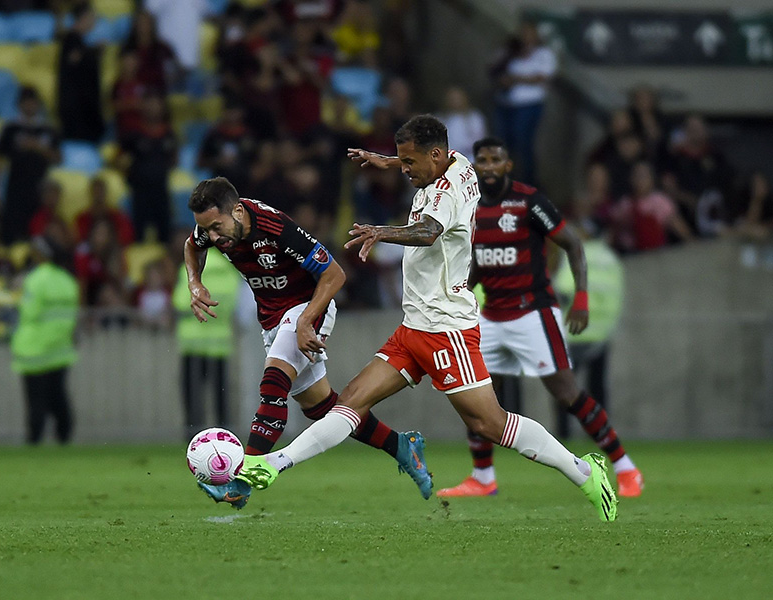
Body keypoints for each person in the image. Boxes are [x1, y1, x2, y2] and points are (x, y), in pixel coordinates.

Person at [227, 116, 619, 522]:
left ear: (434, 156)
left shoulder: (444, 193)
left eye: (409, 162)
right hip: (414, 327)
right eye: (404, 161)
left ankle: (586, 473)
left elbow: (428, 232)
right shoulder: (458, 162)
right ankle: (273, 465)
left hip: (446, 329)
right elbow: (427, 165)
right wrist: (388, 161)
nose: (407, 169)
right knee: (350, 403)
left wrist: (382, 231)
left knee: (490, 423)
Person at [184, 176, 431, 509]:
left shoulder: (274, 227)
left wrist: (304, 321)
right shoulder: (211, 230)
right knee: (322, 408)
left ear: (238, 211)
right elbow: (192, 245)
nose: (213, 237)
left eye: (217, 227)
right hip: (273, 317)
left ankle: (242, 480)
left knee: (273, 384)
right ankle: (401, 446)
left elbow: (334, 274)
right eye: (207, 230)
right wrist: (194, 282)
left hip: (309, 306)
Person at [433, 136, 642, 500]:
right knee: (476, 396)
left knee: (566, 392)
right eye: (482, 160)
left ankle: (625, 468)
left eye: (496, 159)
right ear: (476, 166)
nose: (489, 166)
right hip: (491, 315)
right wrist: (460, 291)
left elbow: (573, 244)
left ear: (507, 165)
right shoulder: (470, 207)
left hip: (533, 311)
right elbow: (480, 263)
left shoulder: (528, 201)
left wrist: (580, 298)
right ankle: (483, 476)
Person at [552, 232, 624, 439]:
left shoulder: (575, 252)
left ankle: (564, 435)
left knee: (565, 390)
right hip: (601, 331)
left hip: (574, 332)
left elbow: (564, 291)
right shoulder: (611, 259)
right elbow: (618, 294)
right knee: (598, 388)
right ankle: (602, 434)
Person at [11, 236, 79, 444]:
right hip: (60, 349)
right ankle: (64, 437)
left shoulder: (34, 279)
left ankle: (35, 439)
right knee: (59, 397)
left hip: (34, 350)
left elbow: (28, 312)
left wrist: (16, 293)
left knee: (36, 401)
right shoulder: (68, 281)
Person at [173, 250, 239, 438]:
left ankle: (194, 438)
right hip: (220, 344)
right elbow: (233, 305)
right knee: (221, 397)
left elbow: (180, 303)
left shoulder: (190, 268)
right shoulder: (229, 271)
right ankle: (225, 438)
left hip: (192, 343)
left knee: (193, 398)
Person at [0, 86, 61, 245]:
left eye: (33, 102)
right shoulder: (10, 128)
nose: (30, 106)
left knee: (35, 234)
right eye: (26, 102)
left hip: (39, 188)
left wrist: (38, 147)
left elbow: (58, 158)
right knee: (11, 235)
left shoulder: (47, 129)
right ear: (19, 104)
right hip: (14, 188)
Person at [491, 21, 556, 184]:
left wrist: (515, 78)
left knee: (523, 142)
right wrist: (503, 80)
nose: (526, 37)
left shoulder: (544, 54)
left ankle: (529, 181)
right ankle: (504, 182)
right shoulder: (509, 51)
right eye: (523, 33)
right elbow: (494, 70)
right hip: (505, 104)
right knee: (503, 145)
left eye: (530, 33)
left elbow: (542, 77)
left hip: (529, 105)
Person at [118, 91, 178, 243]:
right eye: (149, 103)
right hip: (140, 192)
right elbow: (117, 157)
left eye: (157, 104)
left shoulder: (169, 134)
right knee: (138, 235)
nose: (153, 108)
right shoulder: (134, 133)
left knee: (164, 235)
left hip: (161, 190)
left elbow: (174, 159)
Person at [57, 2, 104, 143]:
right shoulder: (72, 40)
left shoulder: (79, 42)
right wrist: (92, 53)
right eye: (92, 16)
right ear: (84, 17)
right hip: (78, 112)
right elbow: (74, 61)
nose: (94, 20)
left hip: (84, 109)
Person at [74, 177, 135, 246]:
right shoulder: (82, 218)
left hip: (113, 250)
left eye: (101, 191)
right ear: (90, 193)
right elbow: (79, 239)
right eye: (95, 191)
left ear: (106, 193)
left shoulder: (117, 216)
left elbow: (127, 236)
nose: (98, 195)